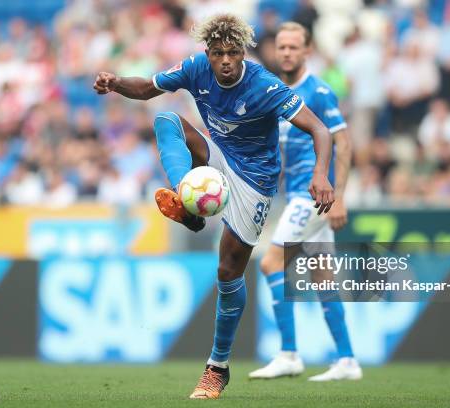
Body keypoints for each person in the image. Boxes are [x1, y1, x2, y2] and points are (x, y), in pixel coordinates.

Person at [93, 14, 334, 399]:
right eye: (218, 53)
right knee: (168, 119)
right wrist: (116, 82)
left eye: (232, 53)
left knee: (227, 271)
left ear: (243, 53)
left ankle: (217, 366)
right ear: (208, 53)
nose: (225, 60)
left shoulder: (265, 86)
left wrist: (321, 175)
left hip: (255, 178)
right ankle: (186, 198)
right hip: (220, 154)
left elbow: (320, 129)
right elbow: (146, 89)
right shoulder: (195, 68)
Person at [249, 22, 362, 382]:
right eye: (281, 46)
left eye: (293, 47)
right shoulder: (275, 91)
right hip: (294, 195)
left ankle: (288, 353)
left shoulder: (319, 91)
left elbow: (343, 143)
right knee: (323, 277)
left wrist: (339, 196)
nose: (285, 53)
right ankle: (347, 360)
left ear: (307, 51)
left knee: (270, 262)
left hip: (313, 198)